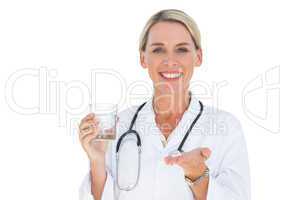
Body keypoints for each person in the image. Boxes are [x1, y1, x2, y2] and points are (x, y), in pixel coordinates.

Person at [78, 9, 251, 200]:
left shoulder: (227, 127)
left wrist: (198, 175)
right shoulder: (120, 125)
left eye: (182, 49)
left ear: (198, 57)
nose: (170, 60)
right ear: (143, 58)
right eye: (158, 49)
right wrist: (97, 159)